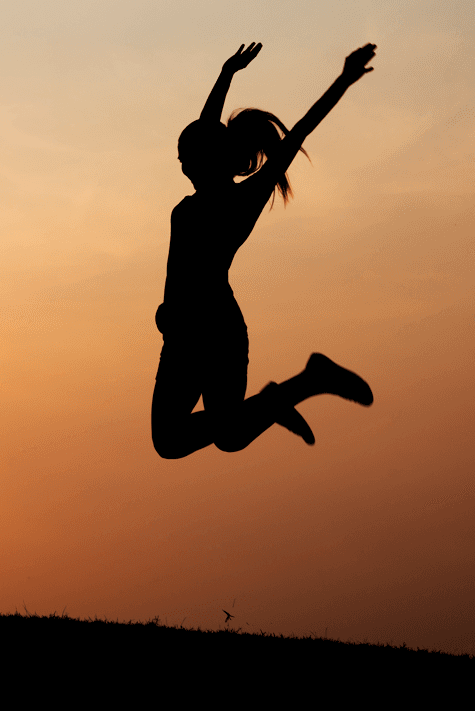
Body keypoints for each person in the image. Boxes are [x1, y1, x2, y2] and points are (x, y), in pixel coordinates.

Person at [151, 43, 377, 460]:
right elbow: (207, 127)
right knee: (175, 439)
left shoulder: (242, 201)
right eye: (180, 159)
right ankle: (284, 396)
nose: (182, 167)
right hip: (182, 334)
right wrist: (225, 74)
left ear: (208, 159)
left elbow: (300, 132)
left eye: (186, 159)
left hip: (217, 331)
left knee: (228, 435)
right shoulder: (191, 203)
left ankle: (305, 383)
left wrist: (343, 80)